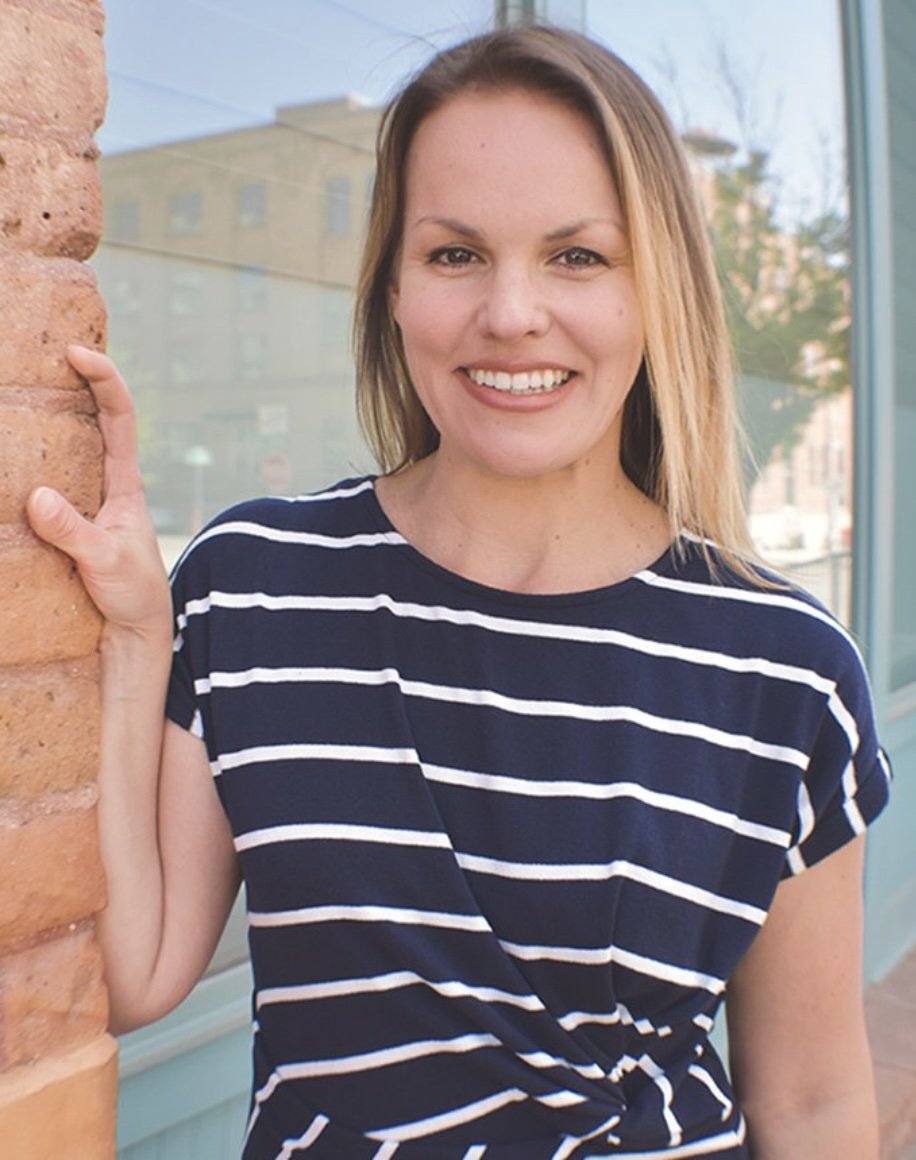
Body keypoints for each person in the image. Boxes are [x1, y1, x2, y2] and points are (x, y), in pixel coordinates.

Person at [27, 25, 889, 1160]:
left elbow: (816, 1102)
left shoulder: (783, 663)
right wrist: (142, 636)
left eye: (577, 256)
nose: (511, 313)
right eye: (454, 254)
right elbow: (135, 975)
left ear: (655, 289)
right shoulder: (250, 588)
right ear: (392, 283)